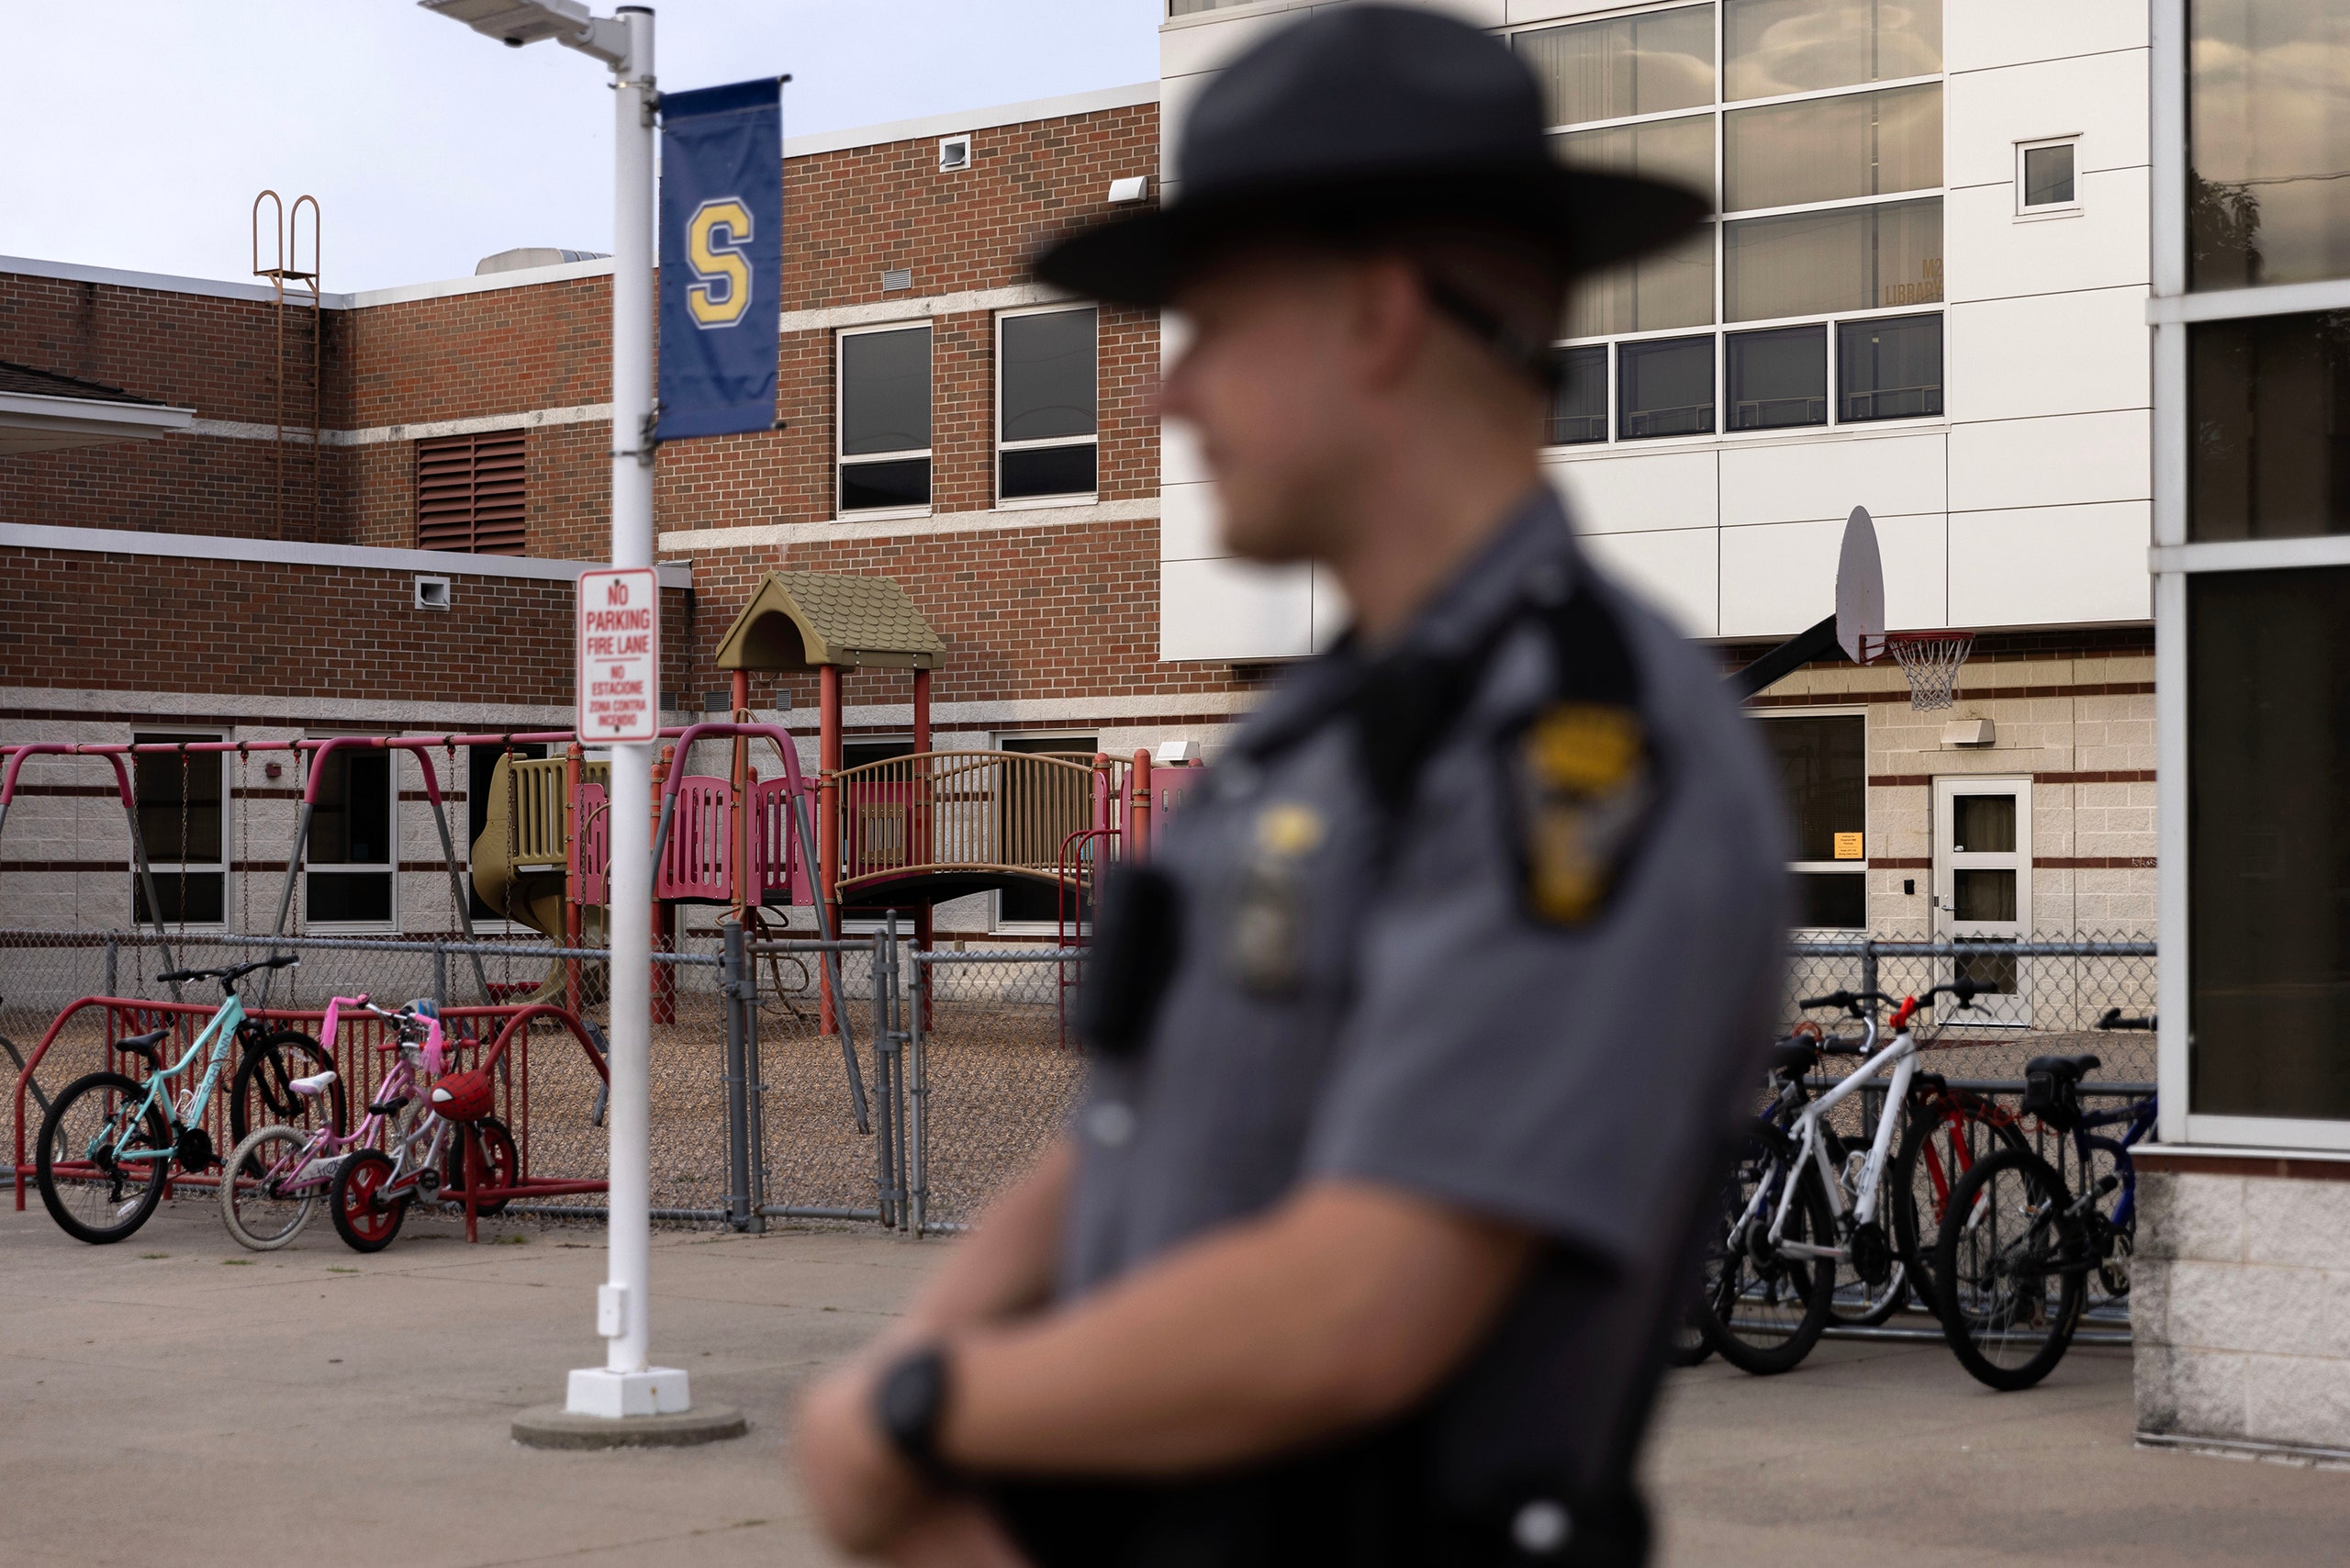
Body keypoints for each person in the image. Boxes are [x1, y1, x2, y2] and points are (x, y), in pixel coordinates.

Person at [795, 8, 1789, 1564]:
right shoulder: (1308, 736)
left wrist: (928, 1412)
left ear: (1379, 316)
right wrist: (915, 1370)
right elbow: (1128, 1134)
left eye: (1215, 329)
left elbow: (1369, 1302)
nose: (1172, 400)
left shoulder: (1588, 747)